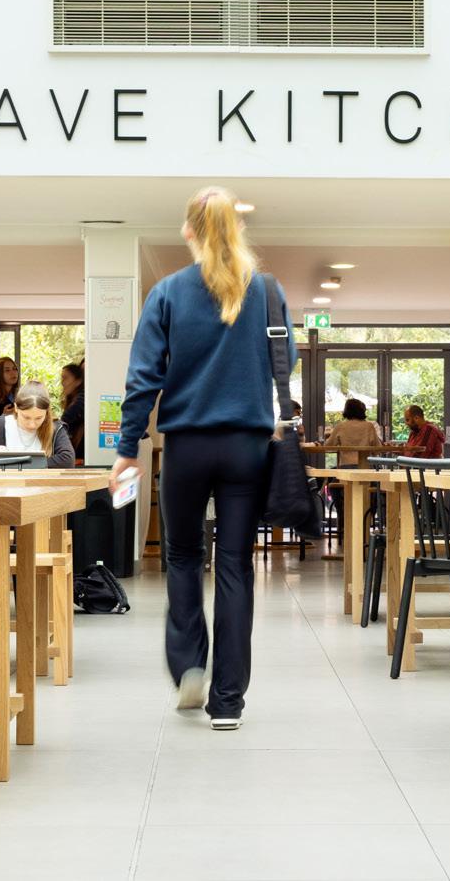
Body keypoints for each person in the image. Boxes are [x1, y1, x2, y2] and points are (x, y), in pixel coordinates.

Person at [115, 186, 292, 731]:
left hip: (187, 447)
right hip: (247, 448)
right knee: (236, 566)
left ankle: (190, 664)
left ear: (188, 231)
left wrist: (127, 449)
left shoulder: (168, 292)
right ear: (237, 230)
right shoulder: (267, 290)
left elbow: (143, 378)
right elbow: (284, 361)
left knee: (184, 557)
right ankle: (228, 702)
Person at [0, 381, 77, 468]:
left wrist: (7, 462)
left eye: (39, 418)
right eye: (26, 417)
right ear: (16, 408)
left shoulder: (55, 427)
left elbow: (68, 460)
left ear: (46, 413)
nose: (32, 425)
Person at [325, 398, 383, 466]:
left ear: (346, 410)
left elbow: (328, 447)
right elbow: (378, 449)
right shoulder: (369, 426)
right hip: (365, 465)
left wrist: (327, 437)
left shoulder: (340, 426)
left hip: (346, 465)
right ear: (362, 410)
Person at [60, 361, 86, 459]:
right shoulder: (73, 399)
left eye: (65, 378)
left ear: (78, 381)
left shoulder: (82, 398)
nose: (62, 382)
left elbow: (65, 420)